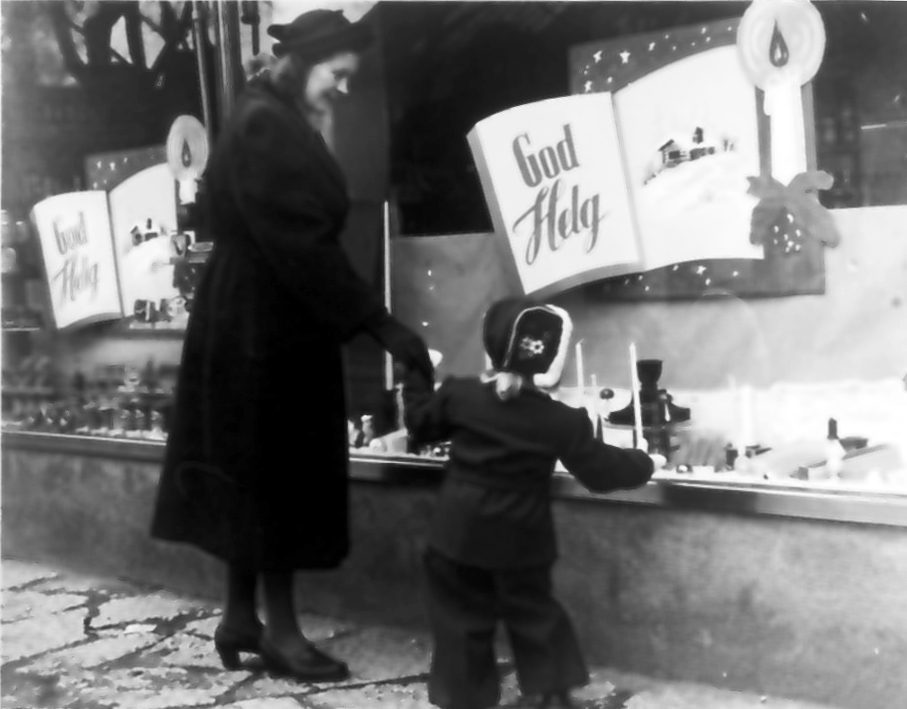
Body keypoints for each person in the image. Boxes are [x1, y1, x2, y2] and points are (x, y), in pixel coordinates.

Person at [150, 10, 433, 683]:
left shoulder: (269, 116)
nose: (341, 87)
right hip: (265, 324)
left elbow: (297, 239)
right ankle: (280, 631)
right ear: (304, 64)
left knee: (253, 467)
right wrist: (382, 324)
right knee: (277, 473)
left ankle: (239, 616)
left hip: (258, 316)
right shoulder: (266, 124)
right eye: (337, 74)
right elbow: (301, 242)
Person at [402, 298, 662, 709]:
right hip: (521, 541)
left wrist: (416, 371)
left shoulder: (460, 396)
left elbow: (418, 423)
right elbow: (601, 471)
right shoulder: (561, 420)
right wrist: (645, 461)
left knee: (460, 620)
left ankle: (463, 697)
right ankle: (550, 694)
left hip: (455, 536)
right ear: (551, 357)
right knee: (534, 615)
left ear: (491, 346)